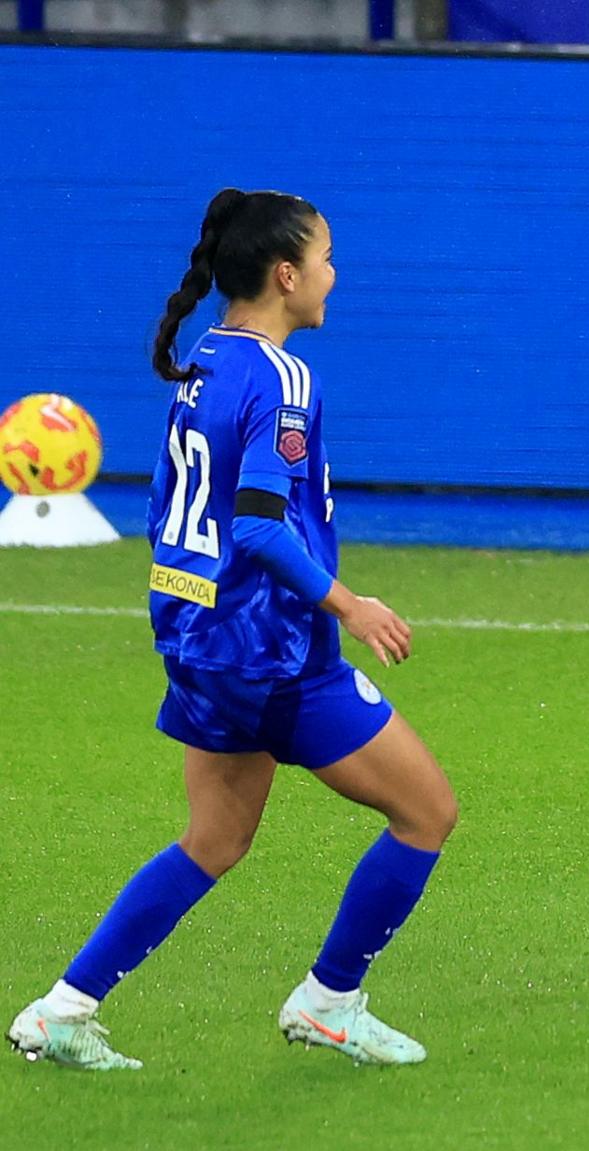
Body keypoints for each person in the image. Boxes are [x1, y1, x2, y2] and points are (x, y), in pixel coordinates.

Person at [7, 189, 458, 1071]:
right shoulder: (281, 376)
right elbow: (255, 524)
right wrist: (349, 604)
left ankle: (61, 1010)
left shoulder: (206, 360)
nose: (335, 273)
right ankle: (330, 1000)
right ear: (286, 275)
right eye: (325, 257)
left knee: (213, 840)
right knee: (427, 810)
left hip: (197, 640)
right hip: (272, 651)